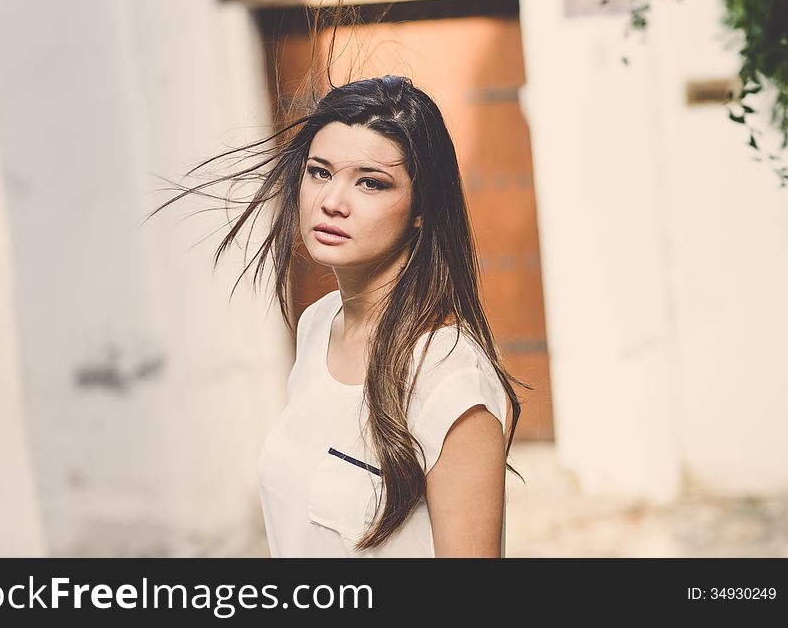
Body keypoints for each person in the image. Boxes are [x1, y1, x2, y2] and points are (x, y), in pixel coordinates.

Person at [148, 70, 529, 557]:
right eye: (319, 172)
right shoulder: (318, 325)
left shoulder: (448, 379)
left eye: (370, 183)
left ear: (421, 210)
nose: (331, 201)